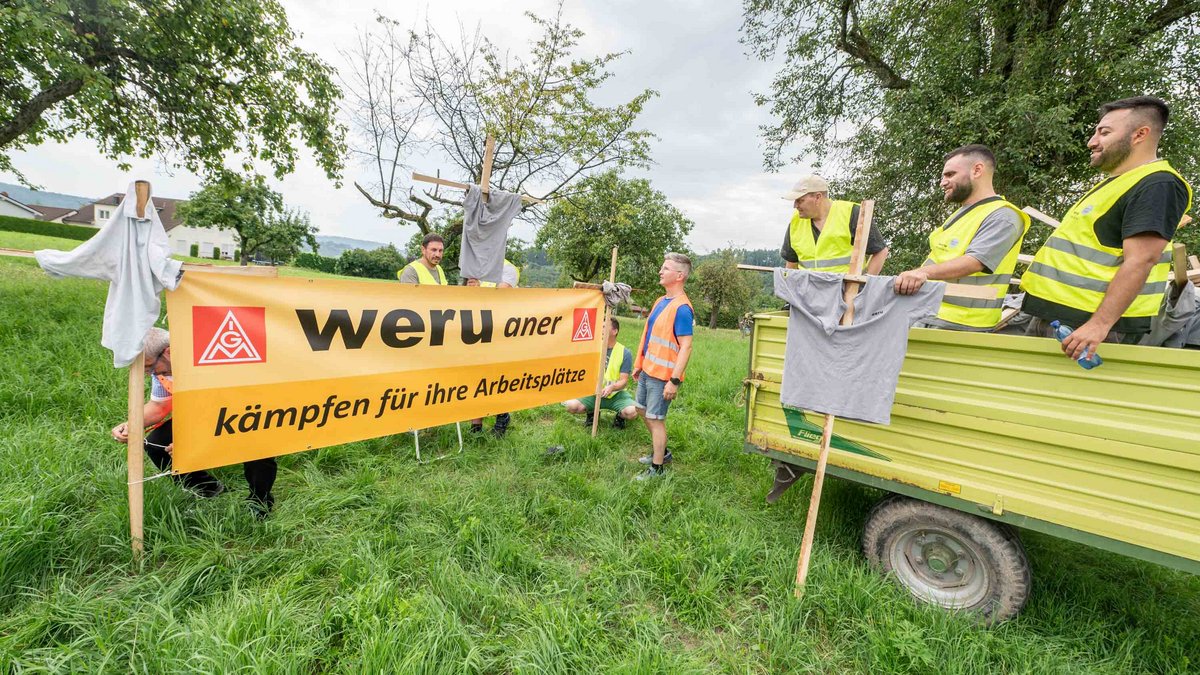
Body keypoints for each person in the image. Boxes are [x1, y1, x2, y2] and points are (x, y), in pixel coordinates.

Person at [1021, 96, 1193, 358]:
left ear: (1140, 135)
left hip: (1089, 327)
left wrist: (1099, 325)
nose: (1092, 142)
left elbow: (1141, 260)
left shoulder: (1158, 184)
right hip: (1065, 318)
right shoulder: (1119, 182)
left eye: (1104, 132)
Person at [110, 328, 277, 517]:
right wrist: (132, 425)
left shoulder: (209, 358)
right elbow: (159, 406)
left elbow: (229, 410)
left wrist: (194, 442)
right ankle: (208, 489)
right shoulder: (163, 370)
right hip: (203, 415)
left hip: (245, 414)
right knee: (155, 444)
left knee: (257, 448)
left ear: (168, 352)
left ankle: (260, 502)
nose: (149, 373)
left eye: (149, 367)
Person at [894, 145, 1031, 330]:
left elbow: (974, 262)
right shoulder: (963, 214)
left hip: (962, 322)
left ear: (977, 170)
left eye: (950, 174)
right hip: (932, 312)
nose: (943, 182)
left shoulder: (1003, 216)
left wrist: (921, 273)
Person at [632, 253, 695, 480]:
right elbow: (649, 336)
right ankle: (663, 451)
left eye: (666, 268)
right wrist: (640, 364)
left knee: (656, 419)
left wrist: (674, 381)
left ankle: (657, 468)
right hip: (648, 370)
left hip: (663, 377)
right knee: (641, 410)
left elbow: (686, 347)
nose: (660, 271)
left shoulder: (682, 308)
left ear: (679, 276)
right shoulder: (660, 301)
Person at [780, 173, 889, 274]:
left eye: (800, 200)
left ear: (818, 197)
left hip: (846, 287)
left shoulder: (852, 213)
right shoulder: (796, 221)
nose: (795, 205)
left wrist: (864, 284)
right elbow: (791, 263)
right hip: (808, 288)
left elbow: (880, 252)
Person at [469, 258, 520, 436]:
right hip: (477, 332)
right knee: (475, 379)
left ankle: (502, 417)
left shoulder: (508, 268)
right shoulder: (475, 267)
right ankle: (476, 426)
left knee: (496, 380)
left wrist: (479, 289)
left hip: (500, 334)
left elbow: (501, 295)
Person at [563, 317, 638, 429]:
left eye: (604, 327)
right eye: (601, 327)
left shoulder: (624, 352)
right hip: (594, 393)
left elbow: (624, 381)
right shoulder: (593, 349)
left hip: (615, 394)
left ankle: (620, 417)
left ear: (615, 331)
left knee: (633, 412)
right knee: (571, 406)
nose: (601, 329)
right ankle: (592, 412)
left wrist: (612, 387)